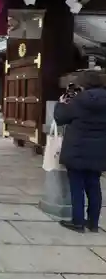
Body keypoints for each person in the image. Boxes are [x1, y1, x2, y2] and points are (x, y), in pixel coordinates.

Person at [54, 70, 106, 233]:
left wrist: (61, 104)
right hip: (99, 150)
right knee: (94, 186)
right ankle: (93, 223)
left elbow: (61, 118)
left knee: (77, 187)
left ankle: (78, 222)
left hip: (77, 148)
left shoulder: (79, 101)